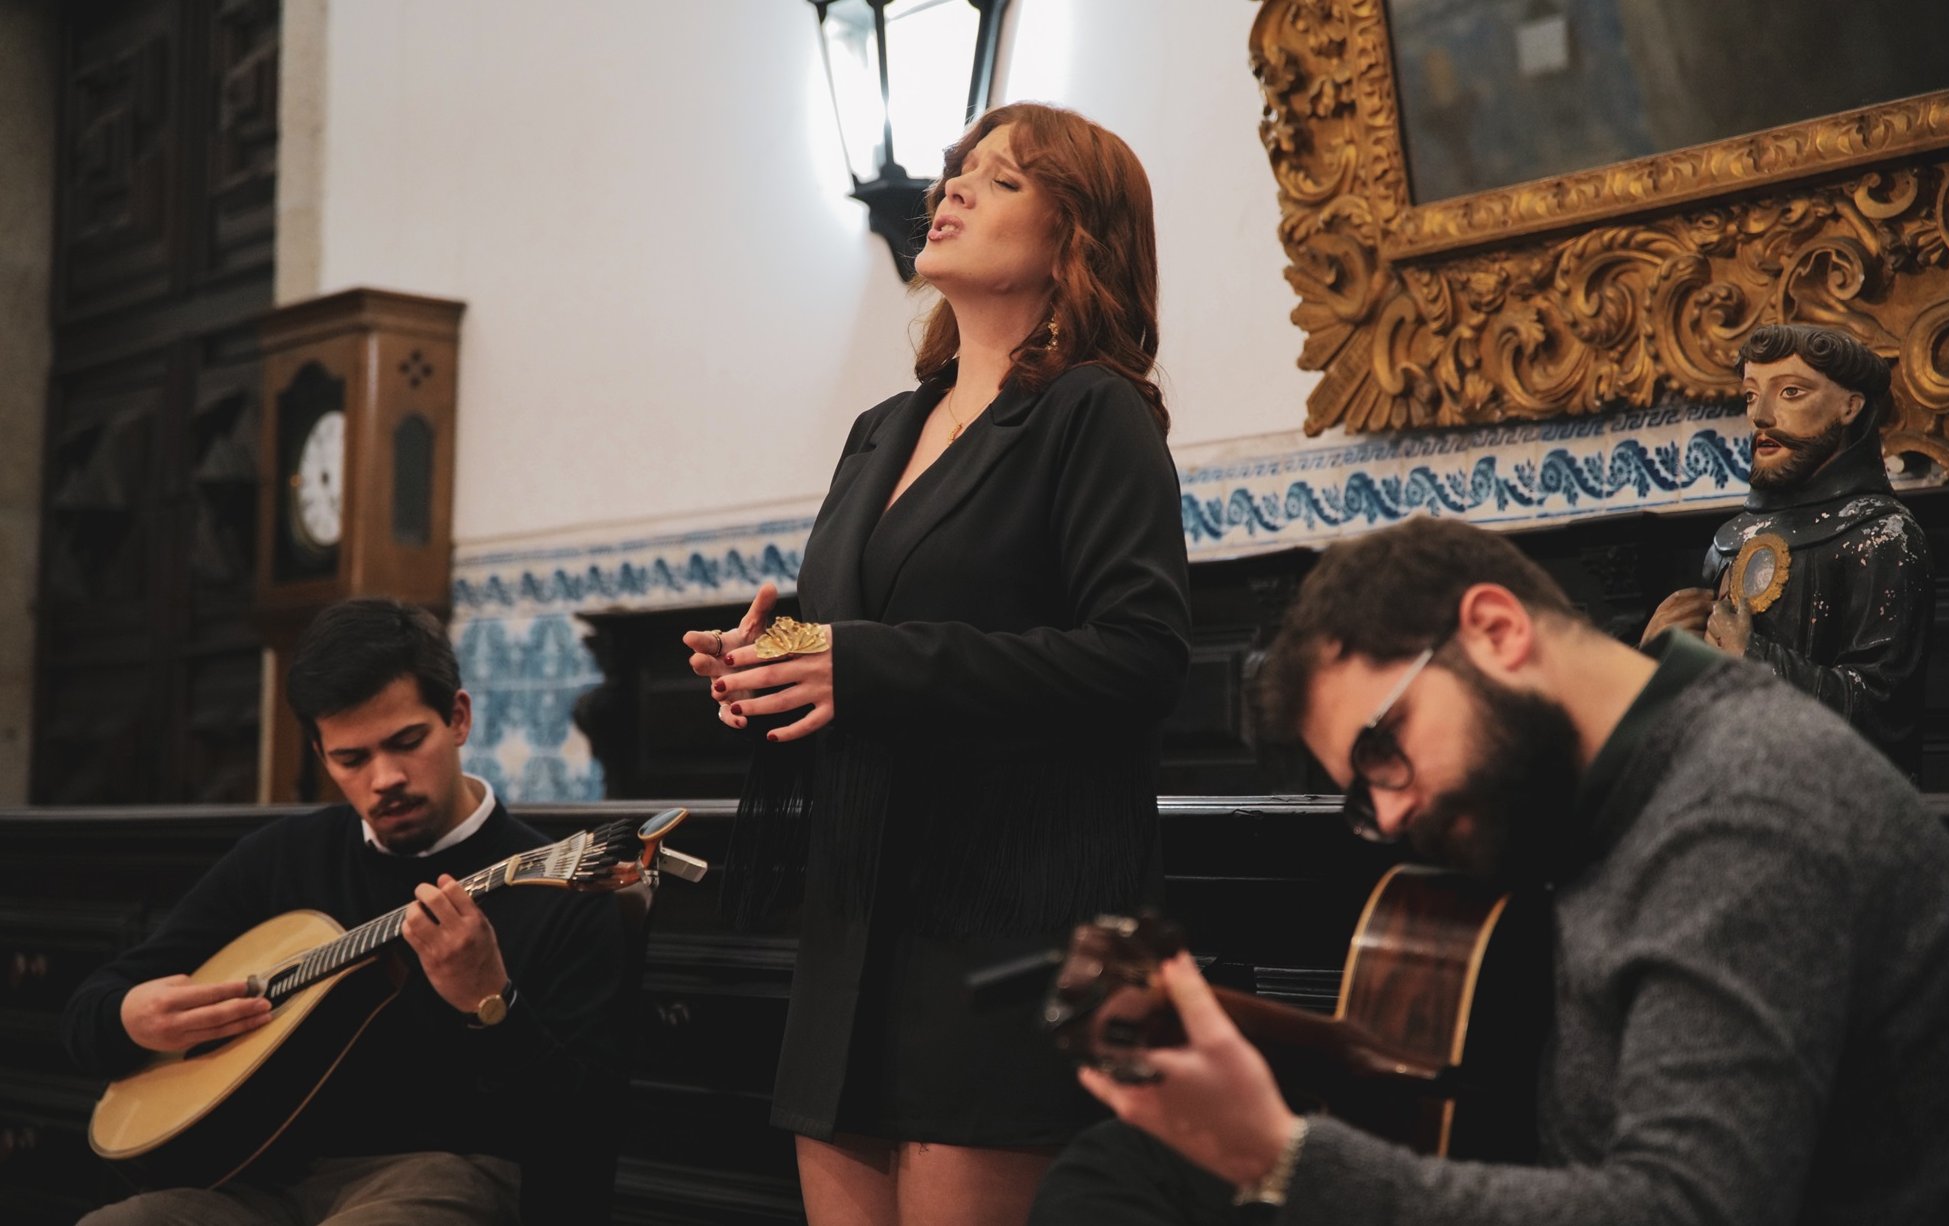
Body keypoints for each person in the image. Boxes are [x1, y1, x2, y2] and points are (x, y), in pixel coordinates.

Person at [1031, 518, 1949, 1225]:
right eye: (1362, 795)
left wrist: (1280, 1155)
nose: (1389, 816)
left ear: (1495, 628)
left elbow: (1683, 1208)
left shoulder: (1747, 805)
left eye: (1382, 750)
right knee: (1127, 1171)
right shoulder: (1591, 791)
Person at [682, 102, 1190, 1225]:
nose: (950, 188)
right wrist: (767, 662)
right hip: (857, 916)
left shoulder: (1092, 412)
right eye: (958, 170)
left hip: (1004, 924)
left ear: (1073, 239)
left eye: (1000, 180)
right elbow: (857, 639)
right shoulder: (882, 427)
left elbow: (1142, 657)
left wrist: (857, 665)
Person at [64, 599, 628, 1225]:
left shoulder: (560, 891)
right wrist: (130, 1017)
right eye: (351, 759)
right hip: (263, 1178)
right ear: (320, 752)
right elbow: (89, 1012)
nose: (384, 778)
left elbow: (583, 1130)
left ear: (458, 718)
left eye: (407, 742)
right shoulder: (281, 859)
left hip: (449, 1172)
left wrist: (491, 1002)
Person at [1643, 323, 1931, 774]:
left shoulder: (1882, 535)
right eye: (1751, 395)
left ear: (1850, 406)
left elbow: (1884, 712)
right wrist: (1659, 658)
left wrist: (1753, 659)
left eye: (1791, 392)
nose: (1760, 417)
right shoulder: (1730, 542)